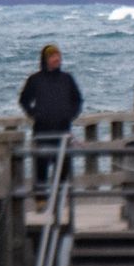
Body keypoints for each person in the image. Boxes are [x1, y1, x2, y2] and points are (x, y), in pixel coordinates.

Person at [19, 44, 83, 187]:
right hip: (42, 131)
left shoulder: (67, 79)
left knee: (63, 168)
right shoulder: (35, 80)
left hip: (63, 130)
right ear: (45, 59)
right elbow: (24, 100)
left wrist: (70, 114)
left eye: (58, 56)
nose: (57, 59)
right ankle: (41, 199)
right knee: (41, 167)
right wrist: (35, 114)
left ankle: (60, 198)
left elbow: (77, 99)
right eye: (53, 56)